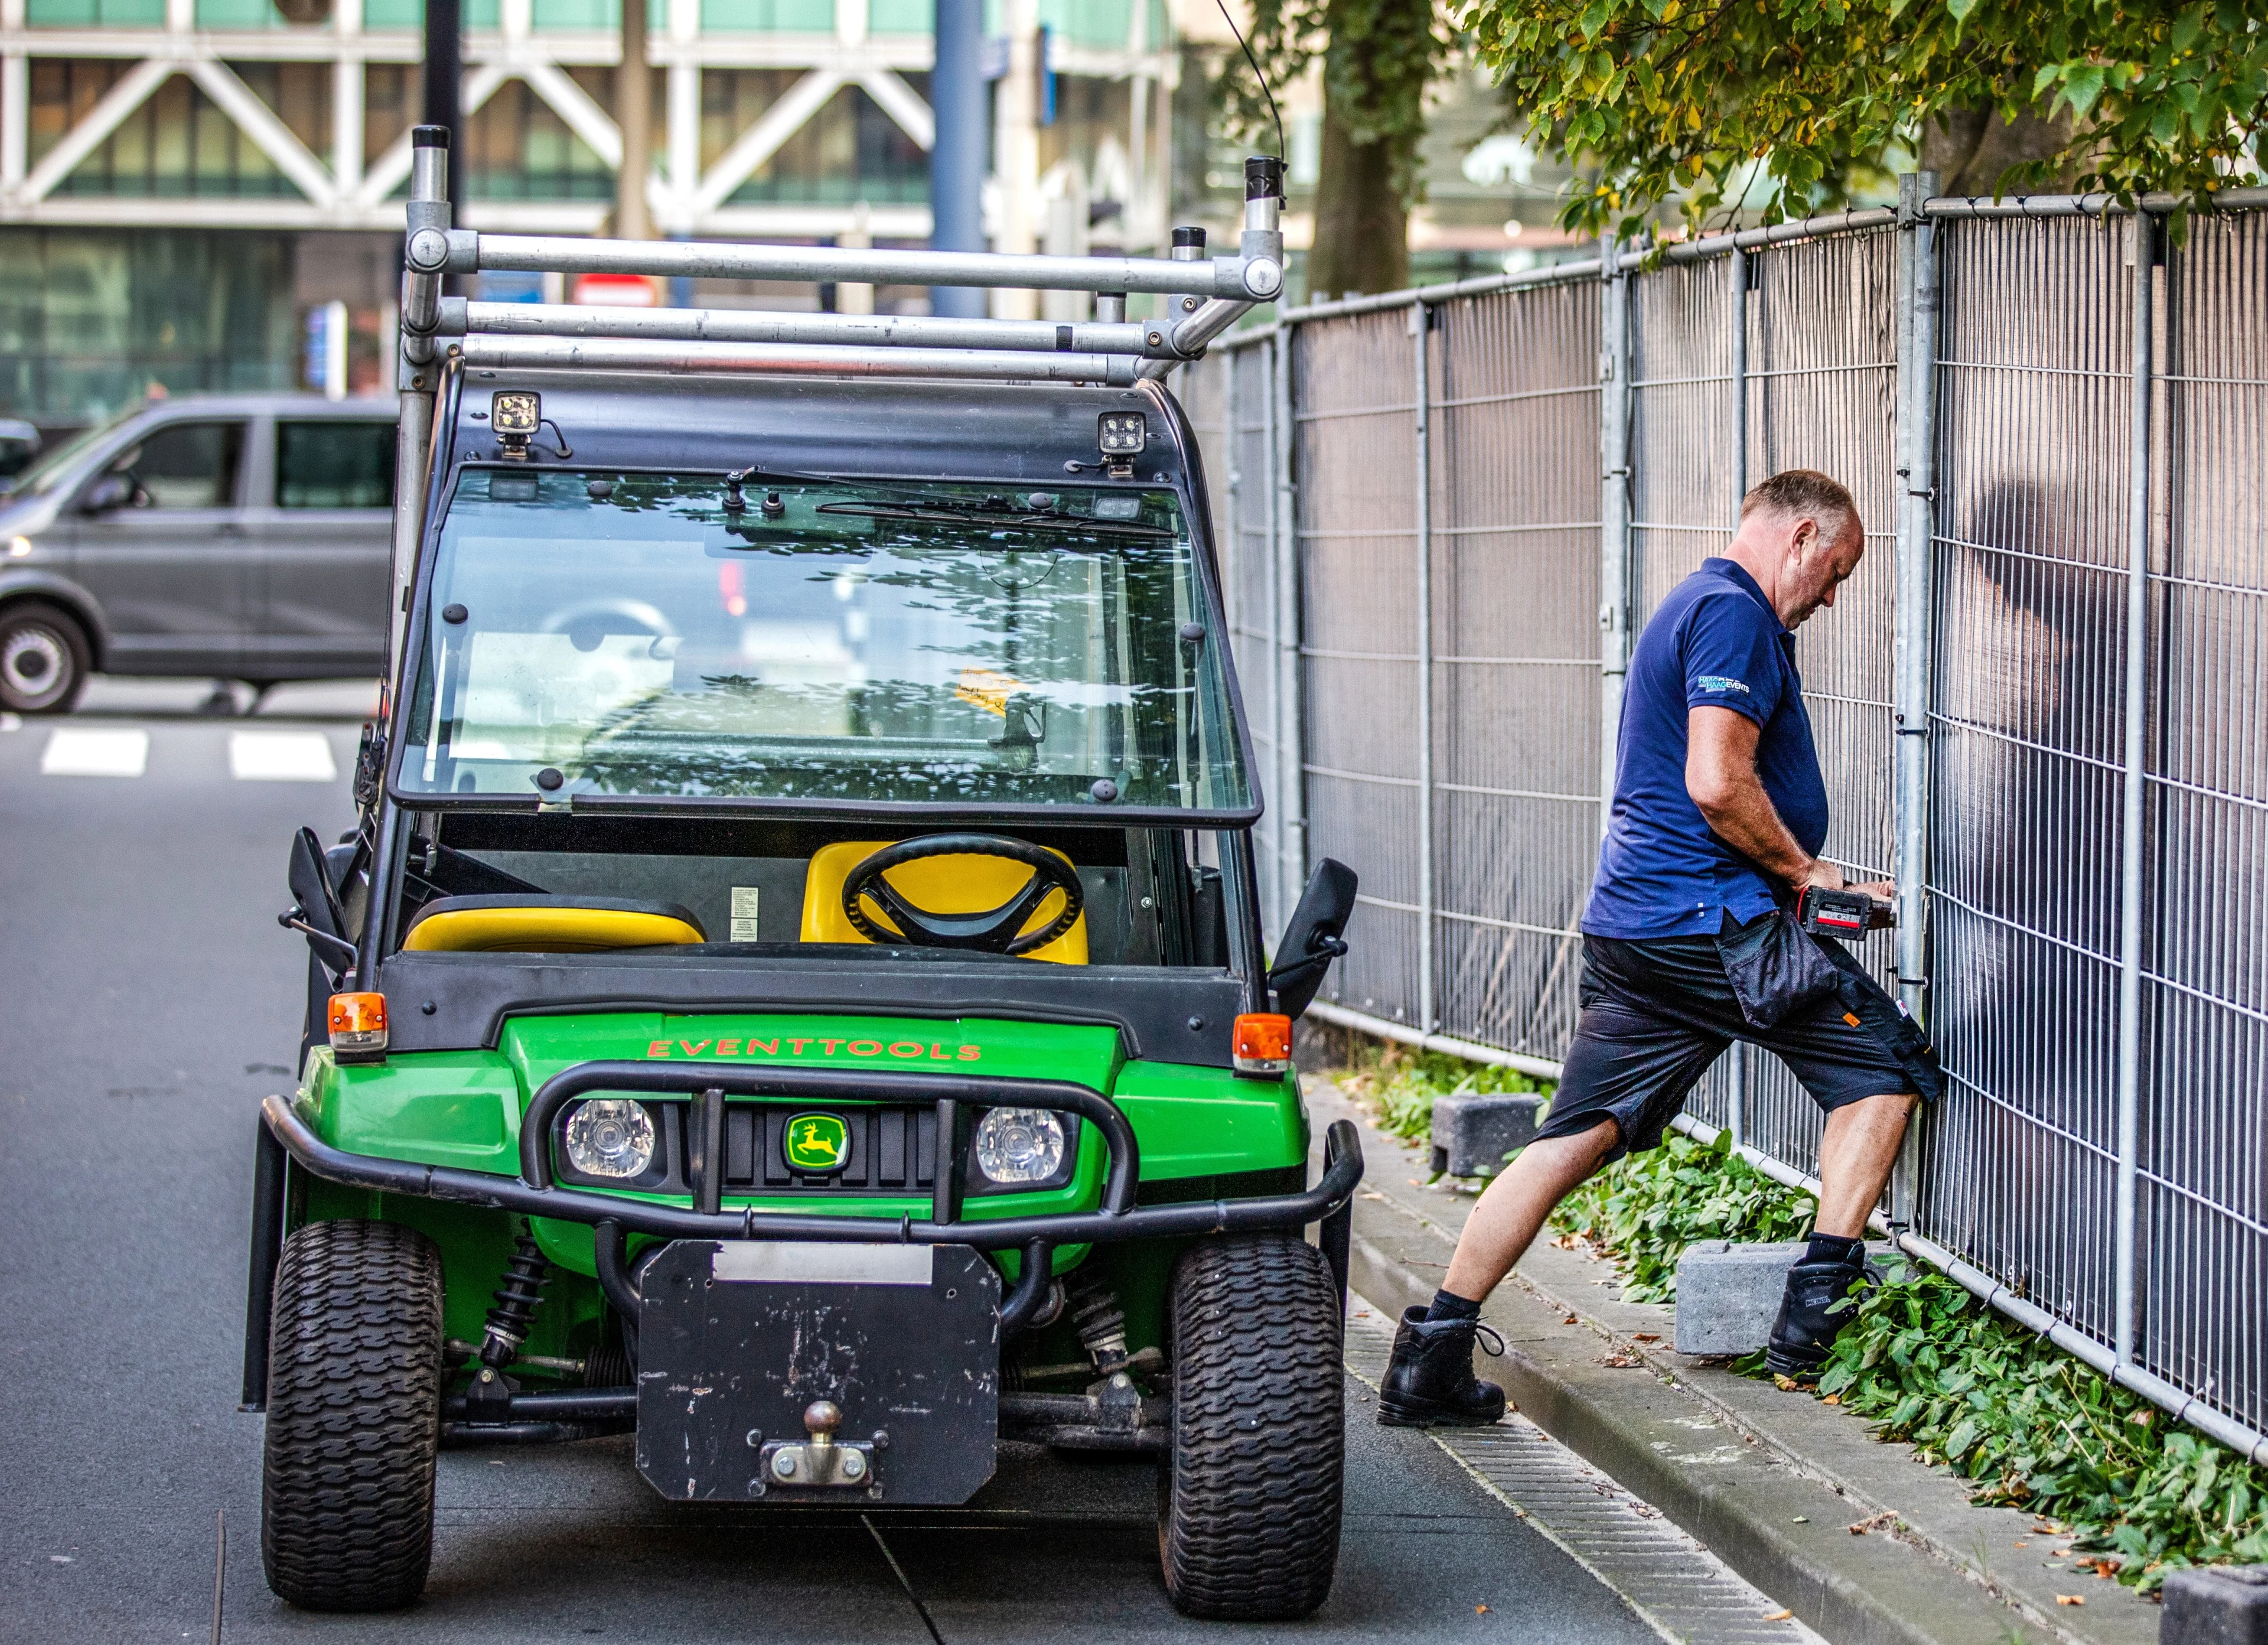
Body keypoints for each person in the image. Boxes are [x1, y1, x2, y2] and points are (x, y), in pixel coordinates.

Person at [1379, 469, 1944, 1428]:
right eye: (1837, 570)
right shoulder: (1735, 617)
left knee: (1571, 1138)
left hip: (1638, 929)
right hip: (1709, 929)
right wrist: (1807, 877)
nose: (1834, 595)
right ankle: (1813, 1333)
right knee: (1882, 1070)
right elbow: (1718, 783)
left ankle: (1429, 1356)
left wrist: (1806, 868)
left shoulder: (1694, 602)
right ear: (1802, 537)